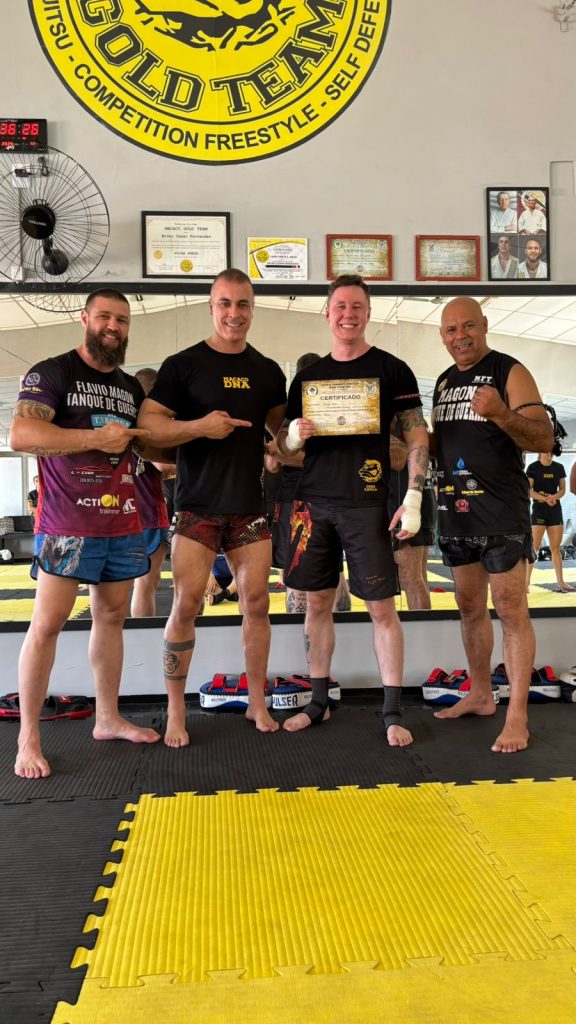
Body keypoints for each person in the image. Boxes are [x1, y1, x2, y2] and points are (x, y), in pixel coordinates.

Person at [9, 289, 161, 779]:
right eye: (104, 317)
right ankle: (27, 739)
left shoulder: (129, 388)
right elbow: (22, 435)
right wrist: (95, 437)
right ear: (85, 318)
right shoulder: (52, 372)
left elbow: (150, 446)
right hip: (66, 523)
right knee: (47, 624)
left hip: (121, 520)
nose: (113, 326)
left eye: (122, 319)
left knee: (111, 618)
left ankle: (108, 718)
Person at [137, 268, 287, 747]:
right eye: (225, 303)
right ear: (211, 306)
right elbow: (148, 427)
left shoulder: (268, 371)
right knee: (185, 604)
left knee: (257, 603)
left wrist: (298, 437)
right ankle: (176, 710)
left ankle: (257, 701)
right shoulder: (183, 365)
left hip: (248, 507)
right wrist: (199, 427)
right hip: (197, 507)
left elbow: (283, 438)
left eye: (242, 304)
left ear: (252, 309)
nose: (234, 313)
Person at [277, 274, 429, 746]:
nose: (348, 314)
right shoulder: (307, 377)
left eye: (357, 306)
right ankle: (318, 702)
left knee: (381, 608)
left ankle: (392, 711)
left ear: (368, 313)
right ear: (327, 313)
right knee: (317, 604)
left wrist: (415, 496)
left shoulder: (392, 369)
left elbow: (416, 434)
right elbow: (282, 446)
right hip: (313, 504)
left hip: (367, 503)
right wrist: (294, 436)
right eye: (340, 306)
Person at [432, 297, 554, 753]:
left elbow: (543, 437)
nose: (460, 336)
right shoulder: (444, 382)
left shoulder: (510, 370)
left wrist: (502, 413)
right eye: (451, 330)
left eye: (468, 326)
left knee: (510, 609)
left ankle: (517, 715)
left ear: (484, 325)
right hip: (456, 511)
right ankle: (481, 694)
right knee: (469, 607)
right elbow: (447, 443)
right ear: (442, 336)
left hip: (502, 513)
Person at [266, 352, 351, 614]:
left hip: (306, 498)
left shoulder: (292, 413)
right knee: (332, 568)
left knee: (301, 569)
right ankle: (337, 631)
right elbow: (273, 460)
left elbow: (273, 461)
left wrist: (283, 453)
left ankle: (308, 633)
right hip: (319, 496)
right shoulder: (329, 408)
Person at [130, 368, 172, 617]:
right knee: (146, 582)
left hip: (123, 511)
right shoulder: (148, 425)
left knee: (136, 582)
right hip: (147, 512)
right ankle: (141, 633)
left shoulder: (121, 421)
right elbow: (164, 465)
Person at [389, 430, 436, 610]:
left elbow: (398, 458)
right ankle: (425, 625)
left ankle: (423, 626)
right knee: (416, 576)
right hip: (414, 500)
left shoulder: (401, 425)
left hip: (405, 503)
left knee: (410, 577)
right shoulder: (413, 428)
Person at [525, 452, 573, 593]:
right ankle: (526, 583)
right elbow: (528, 490)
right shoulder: (533, 467)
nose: (549, 454)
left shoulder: (559, 467)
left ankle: (561, 581)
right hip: (539, 510)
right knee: (534, 547)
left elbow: (563, 489)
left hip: (554, 510)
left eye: (551, 452)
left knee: (556, 548)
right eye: (546, 451)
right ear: (540, 452)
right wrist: (545, 499)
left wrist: (554, 497)